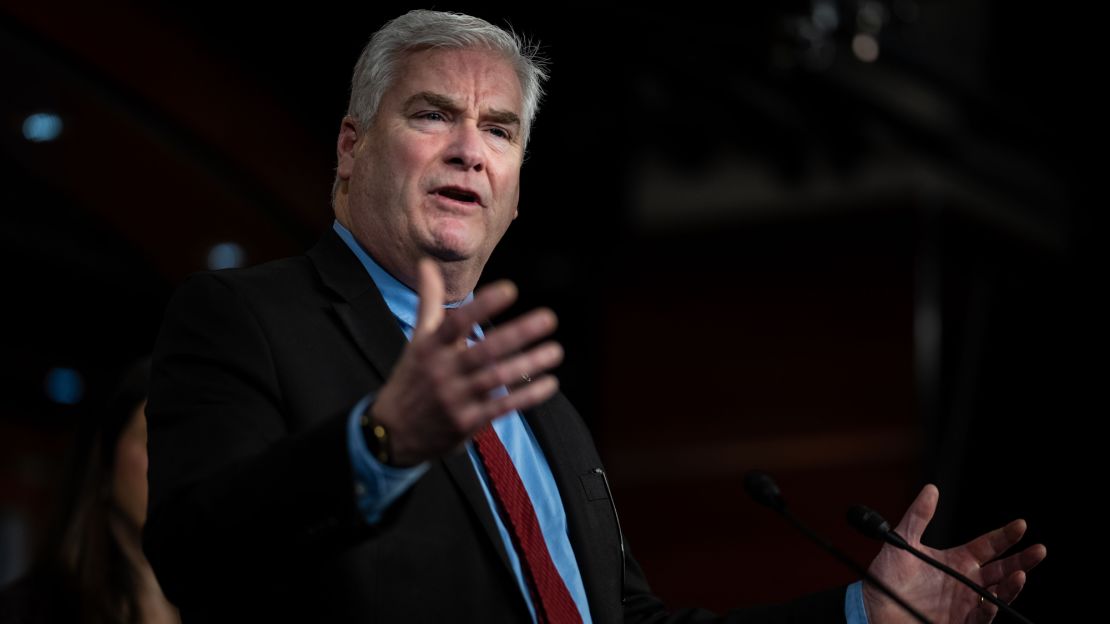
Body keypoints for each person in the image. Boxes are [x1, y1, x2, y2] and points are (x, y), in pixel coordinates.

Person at [143, 10, 1045, 623]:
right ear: (350, 148)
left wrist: (861, 611)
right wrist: (377, 444)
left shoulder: (540, 403)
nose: (470, 149)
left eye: (499, 130)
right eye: (432, 115)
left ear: (519, 187)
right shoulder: (244, 318)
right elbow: (194, 557)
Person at [1, 358, 180, 624]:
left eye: (186, 443)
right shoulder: (29, 611)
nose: (176, 460)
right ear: (105, 464)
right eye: (153, 437)